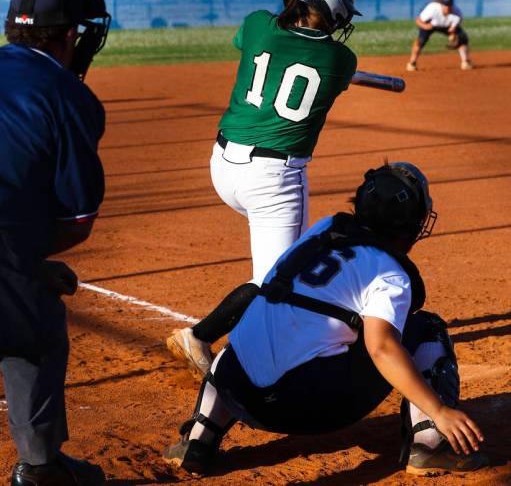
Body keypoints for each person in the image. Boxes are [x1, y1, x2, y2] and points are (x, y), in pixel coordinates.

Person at [163, 161, 488, 478]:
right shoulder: (389, 271)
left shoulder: (323, 229)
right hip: (310, 411)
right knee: (424, 329)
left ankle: (198, 439)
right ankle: (430, 443)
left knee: (255, 327)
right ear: (412, 225)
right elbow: (381, 348)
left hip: (238, 394)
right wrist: (440, 409)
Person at [166, 0, 360, 377]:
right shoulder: (341, 60)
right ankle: (201, 335)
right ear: (329, 8)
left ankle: (302, 317)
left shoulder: (256, 25)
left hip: (223, 166)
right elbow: (318, 64)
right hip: (273, 181)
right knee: (277, 279)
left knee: (290, 261)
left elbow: (268, 45)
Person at [0, 0, 111, 485]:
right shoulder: (70, 97)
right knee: (36, 331)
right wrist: (27, 266)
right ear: (70, 36)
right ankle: (40, 468)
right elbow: (75, 221)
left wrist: (24, 267)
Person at [407, 0, 473, 71]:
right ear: (440, 4)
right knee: (420, 41)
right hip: (430, 24)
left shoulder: (456, 12)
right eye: (445, 5)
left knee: (462, 38)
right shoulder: (432, 8)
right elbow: (418, 20)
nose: (447, 7)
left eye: (449, 5)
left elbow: (457, 23)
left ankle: (465, 62)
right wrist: (425, 26)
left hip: (446, 26)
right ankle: (412, 63)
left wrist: (453, 32)